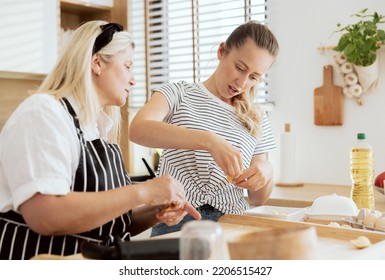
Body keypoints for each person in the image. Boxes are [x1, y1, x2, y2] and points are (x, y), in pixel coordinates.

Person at [0, 20, 200, 260]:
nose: (133, 80)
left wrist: (154, 210)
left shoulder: (98, 129)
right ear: (97, 63)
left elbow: (109, 226)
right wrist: (144, 192)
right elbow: (46, 216)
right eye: (127, 66)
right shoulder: (43, 112)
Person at [129, 20, 279, 237]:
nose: (242, 82)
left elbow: (257, 198)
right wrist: (209, 141)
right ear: (221, 51)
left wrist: (267, 171)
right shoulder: (179, 93)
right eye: (240, 67)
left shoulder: (256, 117)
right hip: (176, 222)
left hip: (233, 225)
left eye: (254, 77)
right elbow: (138, 129)